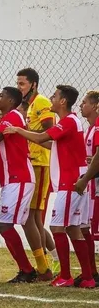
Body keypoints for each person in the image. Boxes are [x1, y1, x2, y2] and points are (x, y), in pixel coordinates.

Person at [4, 85, 95, 288]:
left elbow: (42, 137)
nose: (51, 99)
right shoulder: (68, 123)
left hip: (70, 182)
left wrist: (19, 130)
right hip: (71, 182)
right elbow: (51, 143)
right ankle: (87, 277)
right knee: (73, 228)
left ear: (62, 101)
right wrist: (25, 132)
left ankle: (66, 275)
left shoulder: (69, 121)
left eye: (54, 97)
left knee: (57, 227)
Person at [0, 87, 51, 284]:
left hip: (18, 177)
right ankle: (43, 268)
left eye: (1, 96)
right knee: (26, 221)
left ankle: (27, 269)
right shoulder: (7, 119)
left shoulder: (12, 116)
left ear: (11, 101)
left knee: (3, 224)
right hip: (13, 179)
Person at [17, 68, 59, 273]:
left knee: (33, 216)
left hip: (40, 162)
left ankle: (45, 265)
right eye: (17, 84)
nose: (19, 88)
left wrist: (22, 132)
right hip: (31, 162)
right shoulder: (28, 105)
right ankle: (53, 258)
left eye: (22, 84)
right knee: (33, 217)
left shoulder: (41, 102)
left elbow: (48, 132)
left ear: (33, 84)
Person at [74, 91, 99, 285]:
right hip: (92, 185)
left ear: (94, 106)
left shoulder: (97, 127)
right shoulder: (90, 128)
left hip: (93, 185)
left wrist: (85, 177)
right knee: (85, 228)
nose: (81, 106)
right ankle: (91, 271)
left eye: (84, 103)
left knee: (84, 228)